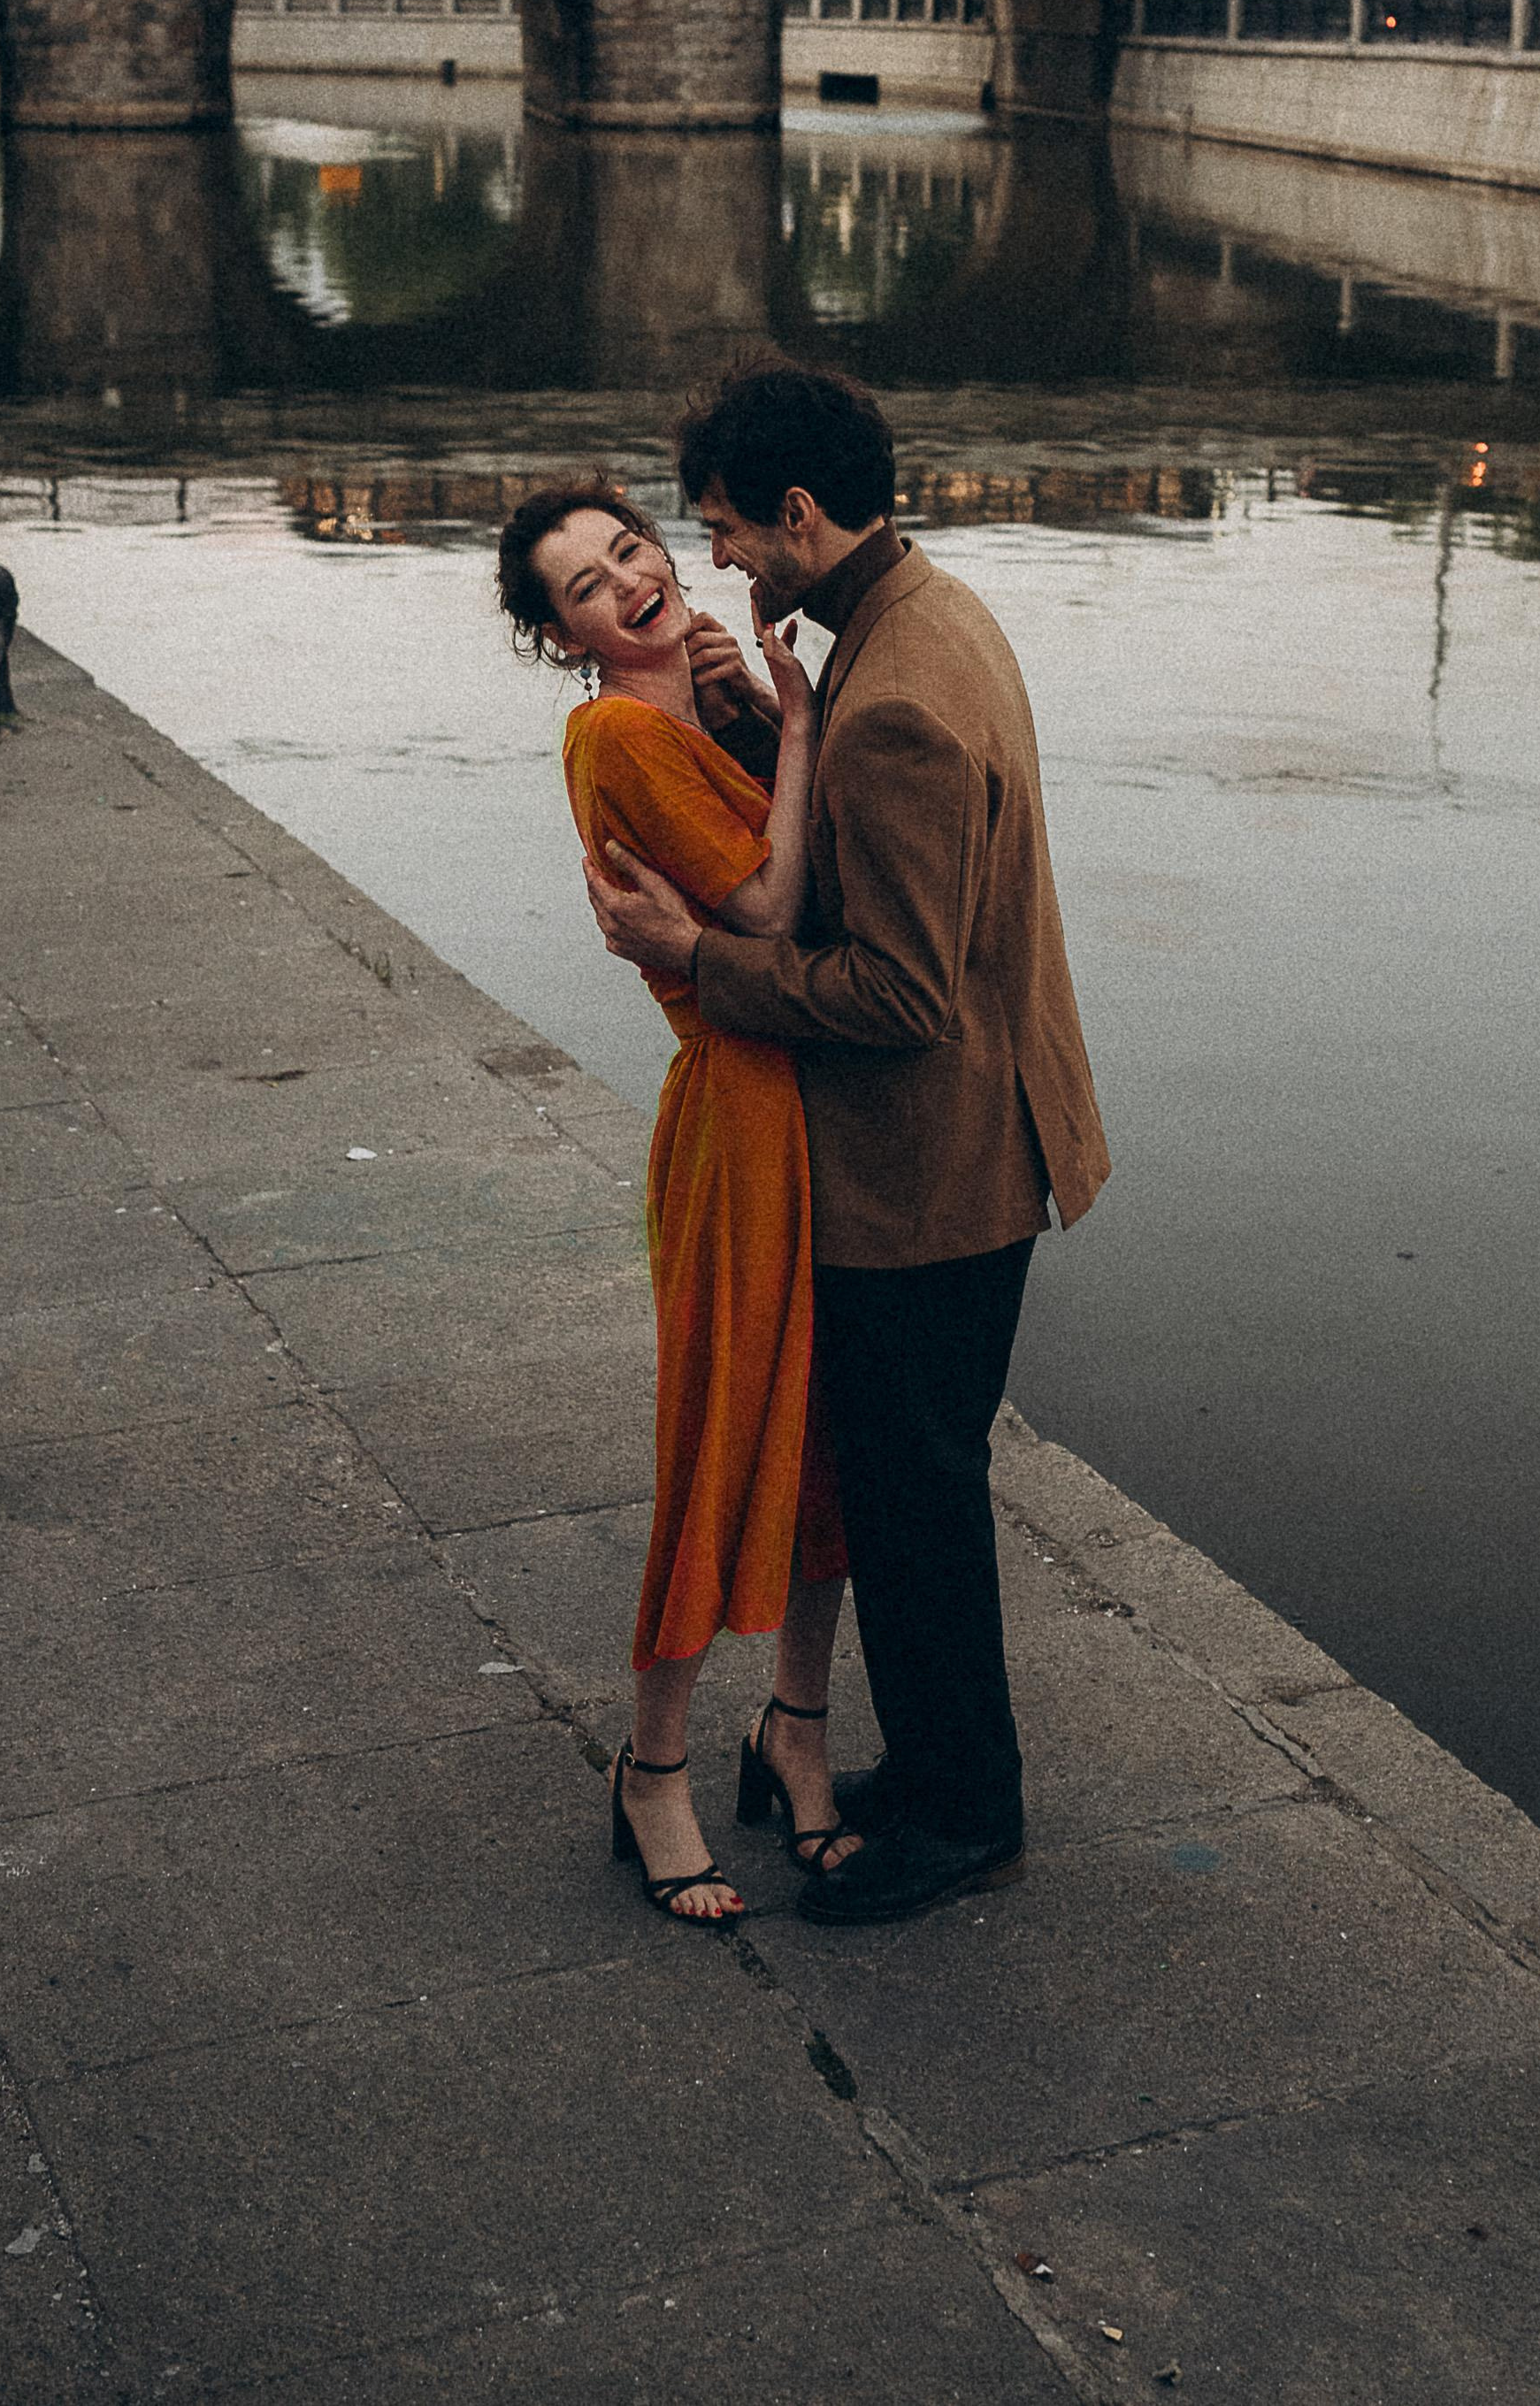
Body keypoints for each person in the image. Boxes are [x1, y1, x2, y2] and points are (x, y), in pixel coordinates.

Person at [582, 366, 1110, 1925]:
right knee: (919, 1488)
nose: (724, 564)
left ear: (800, 513)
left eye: (735, 532)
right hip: (987, 1131)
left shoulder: (888, 708)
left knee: (917, 1499)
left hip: (930, 1171)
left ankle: (962, 1814)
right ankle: (942, 1769)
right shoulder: (921, 617)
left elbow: (895, 988)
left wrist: (695, 950)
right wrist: (764, 731)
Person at [496, 479, 854, 1927]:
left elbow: (803, 882)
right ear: (563, 635)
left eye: (629, 548)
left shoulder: (700, 712)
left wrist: (760, 718)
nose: (628, 581)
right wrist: (808, 724)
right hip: (736, 1122)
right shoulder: (614, 737)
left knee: (827, 1442)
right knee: (718, 1436)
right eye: (586, 583)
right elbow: (771, 915)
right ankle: (651, 1769)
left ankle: (798, 1733)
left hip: (824, 1109)